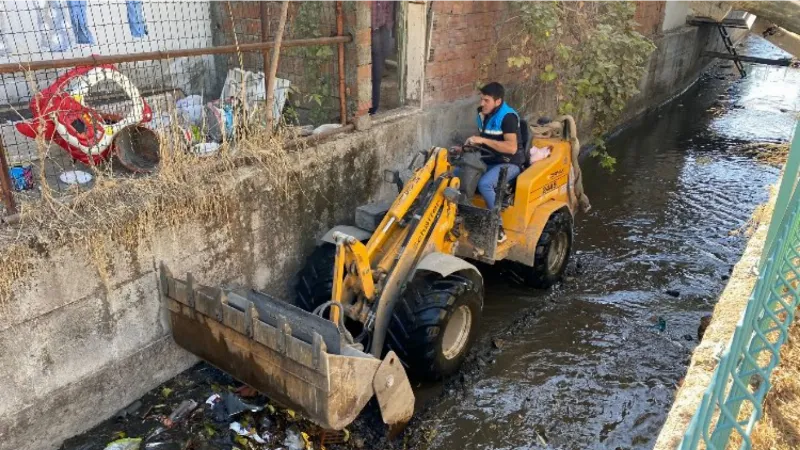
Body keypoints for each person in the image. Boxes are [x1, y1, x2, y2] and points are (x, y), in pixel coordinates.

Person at [465, 82, 524, 243]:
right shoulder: (482, 114)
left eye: (486, 100)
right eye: (481, 99)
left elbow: (511, 148)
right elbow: (485, 138)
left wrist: (481, 140)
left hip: (508, 162)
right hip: (487, 159)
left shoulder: (508, 117)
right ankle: (462, 216)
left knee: (484, 184)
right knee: (456, 173)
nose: (482, 104)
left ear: (498, 102)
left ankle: (498, 229)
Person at [370, 0, 396, 115]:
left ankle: (373, 107)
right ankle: (366, 107)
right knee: (367, 71)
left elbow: (389, 7)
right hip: (368, 30)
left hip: (383, 30)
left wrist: (388, 26)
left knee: (377, 72)